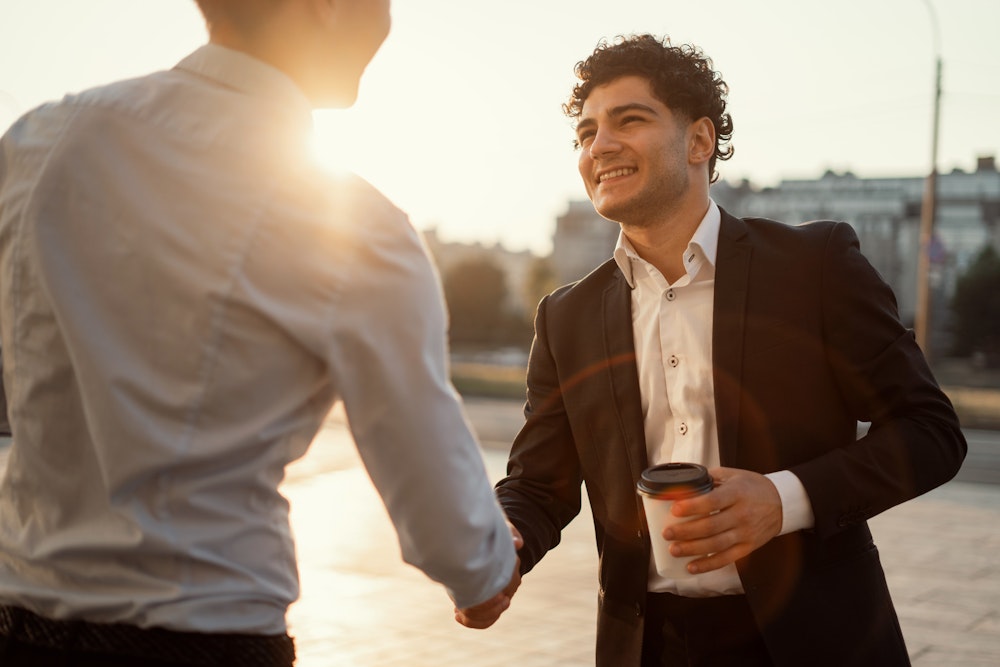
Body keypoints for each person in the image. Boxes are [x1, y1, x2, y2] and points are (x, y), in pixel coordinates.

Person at [0, 1, 518, 665]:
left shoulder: (36, 140)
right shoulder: (353, 223)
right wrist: (485, 570)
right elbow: (438, 493)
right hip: (204, 634)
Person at [484, 34, 967, 666]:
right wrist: (503, 544)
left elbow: (931, 432)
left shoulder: (813, 265)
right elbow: (538, 486)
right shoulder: (565, 316)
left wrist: (784, 500)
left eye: (629, 120)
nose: (598, 146)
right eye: (585, 132)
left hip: (815, 640)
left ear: (699, 141)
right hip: (646, 646)